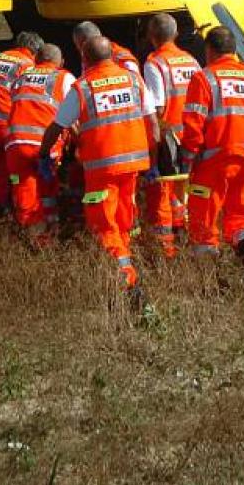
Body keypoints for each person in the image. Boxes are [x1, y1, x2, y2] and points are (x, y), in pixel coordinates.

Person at [40, 36, 154, 297]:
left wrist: (43, 153)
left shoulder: (83, 87)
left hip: (103, 169)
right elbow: (153, 123)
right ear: (111, 56)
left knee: (103, 223)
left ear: (85, 59)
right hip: (133, 164)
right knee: (124, 218)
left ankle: (128, 282)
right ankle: (127, 259)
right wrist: (153, 159)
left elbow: (57, 126)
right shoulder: (134, 79)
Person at [179, 26, 244, 288]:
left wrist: (188, 158)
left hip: (214, 161)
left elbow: (193, 127)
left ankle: (212, 282)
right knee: (242, 214)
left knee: (204, 220)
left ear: (209, 50)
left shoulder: (204, 79)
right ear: (234, 50)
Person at [140, 13, 201, 258]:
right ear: (176, 34)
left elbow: (157, 108)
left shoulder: (155, 62)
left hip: (169, 139)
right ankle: (185, 234)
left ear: (150, 36)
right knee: (185, 191)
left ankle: (166, 250)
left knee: (163, 193)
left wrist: (151, 146)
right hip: (193, 136)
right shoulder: (191, 61)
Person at [4, 43, 75, 244]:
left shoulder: (21, 76)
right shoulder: (64, 77)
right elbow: (74, 114)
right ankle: (51, 236)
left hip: (16, 145)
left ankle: (32, 241)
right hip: (45, 145)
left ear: (36, 60)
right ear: (61, 62)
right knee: (48, 190)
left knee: (25, 194)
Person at [0, 30, 42, 211]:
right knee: (17, 175)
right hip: (6, 128)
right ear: (34, 52)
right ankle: (12, 212)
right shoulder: (28, 65)